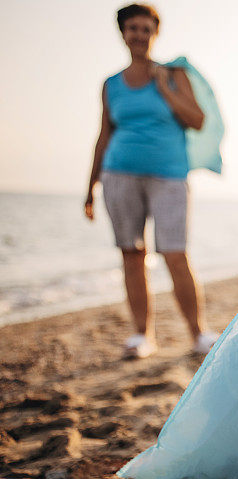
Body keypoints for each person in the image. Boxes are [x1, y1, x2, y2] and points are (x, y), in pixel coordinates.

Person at [83, 3, 218, 358]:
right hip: (119, 173)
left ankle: (198, 333)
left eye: (146, 29)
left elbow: (197, 119)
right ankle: (143, 335)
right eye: (132, 29)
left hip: (169, 175)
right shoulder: (111, 84)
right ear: (123, 34)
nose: (139, 35)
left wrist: (166, 89)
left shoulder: (174, 75)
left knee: (175, 253)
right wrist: (90, 186)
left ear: (154, 33)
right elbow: (103, 134)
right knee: (131, 253)